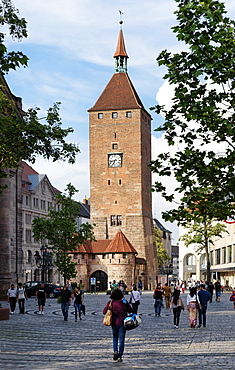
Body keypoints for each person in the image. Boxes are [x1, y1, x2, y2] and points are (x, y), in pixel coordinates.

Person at [103, 288, 132, 363]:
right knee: (121, 339)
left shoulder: (111, 302)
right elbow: (131, 310)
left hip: (114, 322)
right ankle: (120, 356)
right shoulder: (124, 302)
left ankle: (115, 351)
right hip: (123, 322)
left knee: (115, 338)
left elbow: (104, 311)